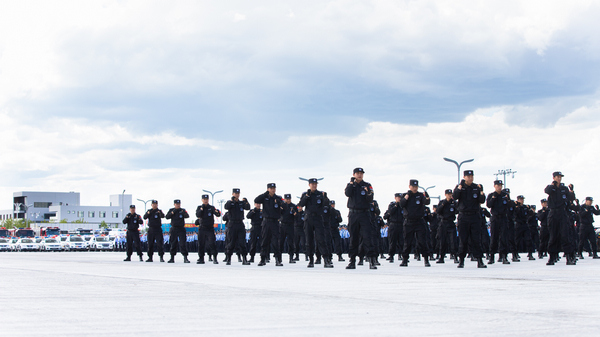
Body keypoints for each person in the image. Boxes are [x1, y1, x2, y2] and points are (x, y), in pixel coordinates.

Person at [453, 170, 487, 268]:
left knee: (476, 239)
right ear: (464, 177)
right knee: (463, 239)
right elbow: (455, 197)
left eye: (471, 176)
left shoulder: (476, 187)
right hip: (463, 216)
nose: (470, 178)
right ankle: (461, 260)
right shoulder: (460, 187)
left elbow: (482, 200)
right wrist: (459, 188)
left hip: (475, 216)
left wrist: (481, 191)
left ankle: (479, 260)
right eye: (468, 176)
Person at [344, 168, 377, 270]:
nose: (359, 175)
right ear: (354, 174)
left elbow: (370, 198)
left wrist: (368, 193)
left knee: (367, 237)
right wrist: (351, 183)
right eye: (357, 173)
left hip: (364, 214)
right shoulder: (350, 185)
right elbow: (347, 193)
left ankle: (371, 260)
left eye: (361, 174)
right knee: (353, 238)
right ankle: (352, 260)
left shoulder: (367, 185)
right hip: (353, 214)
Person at [299, 178, 333, 268]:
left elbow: (325, 204)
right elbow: (301, 204)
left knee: (321, 239)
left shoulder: (320, 194)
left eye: (315, 184)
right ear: (309, 185)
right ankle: (310, 260)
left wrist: (325, 197)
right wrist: (307, 196)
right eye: (312, 184)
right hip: (308, 218)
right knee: (309, 240)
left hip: (318, 218)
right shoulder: (305, 194)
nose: (314, 185)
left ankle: (326, 259)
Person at [544, 171, 576, 265]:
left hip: (562, 213)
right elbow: (547, 191)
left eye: (560, 177)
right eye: (557, 177)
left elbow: (571, 198)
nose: (559, 178)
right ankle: (552, 257)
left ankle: (569, 257)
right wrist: (553, 185)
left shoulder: (564, 188)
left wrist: (571, 190)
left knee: (565, 235)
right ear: (553, 178)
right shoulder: (551, 187)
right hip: (553, 213)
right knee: (553, 236)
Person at [399, 179, 431, 267]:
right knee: (407, 242)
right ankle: (405, 259)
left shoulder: (420, 195)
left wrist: (427, 197)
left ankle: (426, 259)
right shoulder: (405, 195)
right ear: (409, 187)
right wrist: (406, 196)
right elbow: (401, 204)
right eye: (413, 186)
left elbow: (427, 202)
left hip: (419, 221)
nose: (415, 188)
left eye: (416, 186)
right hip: (408, 222)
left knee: (422, 241)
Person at [254, 183, 284, 266]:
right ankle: (263, 259)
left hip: (275, 222)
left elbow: (284, 206)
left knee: (275, 242)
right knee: (264, 241)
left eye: (274, 188)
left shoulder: (278, 198)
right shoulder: (265, 197)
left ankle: (278, 260)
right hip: (266, 222)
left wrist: (279, 203)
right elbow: (256, 200)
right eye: (271, 188)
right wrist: (265, 194)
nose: (273, 190)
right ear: (268, 189)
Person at [224, 188, 251, 265]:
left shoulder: (241, 203)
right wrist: (232, 200)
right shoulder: (230, 202)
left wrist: (246, 201)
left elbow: (248, 207)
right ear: (232, 194)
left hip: (240, 224)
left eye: (238, 193)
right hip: (232, 224)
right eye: (235, 193)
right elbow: (226, 207)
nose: (237, 195)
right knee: (231, 242)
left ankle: (244, 259)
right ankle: (228, 259)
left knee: (242, 242)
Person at [486, 181, 510, 264]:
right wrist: (493, 198)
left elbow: (509, 205)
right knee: (494, 238)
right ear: (494, 186)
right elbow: (488, 205)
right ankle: (491, 256)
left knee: (504, 238)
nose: (499, 187)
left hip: (503, 218)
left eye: (500, 185)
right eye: (498, 185)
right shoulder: (491, 195)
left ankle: (504, 256)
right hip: (495, 218)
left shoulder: (504, 195)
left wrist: (508, 199)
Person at [196, 194, 221, 264]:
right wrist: (202, 209)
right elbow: (198, 215)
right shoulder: (199, 207)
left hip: (210, 228)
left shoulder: (211, 208)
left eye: (206, 199)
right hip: (202, 228)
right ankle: (201, 258)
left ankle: (215, 258)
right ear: (202, 200)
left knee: (212, 243)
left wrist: (217, 212)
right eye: (204, 199)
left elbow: (217, 215)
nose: (205, 201)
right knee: (201, 244)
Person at [436, 189, 458, 264]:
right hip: (443, 223)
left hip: (451, 223)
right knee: (443, 241)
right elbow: (438, 211)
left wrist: (455, 205)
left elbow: (457, 211)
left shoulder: (454, 202)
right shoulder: (442, 202)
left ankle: (455, 256)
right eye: (448, 194)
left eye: (450, 194)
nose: (449, 195)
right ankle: (441, 257)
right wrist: (444, 204)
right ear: (445, 195)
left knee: (453, 241)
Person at [384, 193, 404, 263]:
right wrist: (396, 206)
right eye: (398, 197)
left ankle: (401, 255)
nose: (399, 199)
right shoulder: (392, 205)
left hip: (401, 224)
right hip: (393, 224)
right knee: (392, 241)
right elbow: (390, 212)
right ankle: (391, 255)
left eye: (400, 197)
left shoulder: (403, 205)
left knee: (401, 241)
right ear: (395, 198)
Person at [280, 194, 297, 264]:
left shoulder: (294, 206)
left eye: (289, 199)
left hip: (290, 226)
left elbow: (297, 215)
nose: (288, 200)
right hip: (282, 225)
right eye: (286, 199)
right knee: (281, 242)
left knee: (291, 242)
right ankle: (279, 258)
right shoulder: (282, 206)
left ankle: (291, 257)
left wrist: (294, 212)